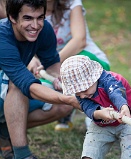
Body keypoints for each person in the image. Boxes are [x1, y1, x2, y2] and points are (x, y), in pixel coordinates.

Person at [0, 0, 80, 159]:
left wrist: (64, 86)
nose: (35, 26)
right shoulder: (2, 36)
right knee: (19, 84)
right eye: (27, 18)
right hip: (9, 88)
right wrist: (68, 99)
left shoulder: (44, 31)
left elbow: (52, 66)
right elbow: (26, 84)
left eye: (40, 18)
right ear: (12, 17)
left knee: (62, 107)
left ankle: (4, 131)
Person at [28, 0, 110, 131]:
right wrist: (30, 59)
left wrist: (52, 63)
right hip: (48, 67)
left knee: (78, 72)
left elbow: (79, 41)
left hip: (85, 57)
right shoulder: (26, 8)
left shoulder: (72, 3)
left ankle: (96, 119)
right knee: (41, 90)